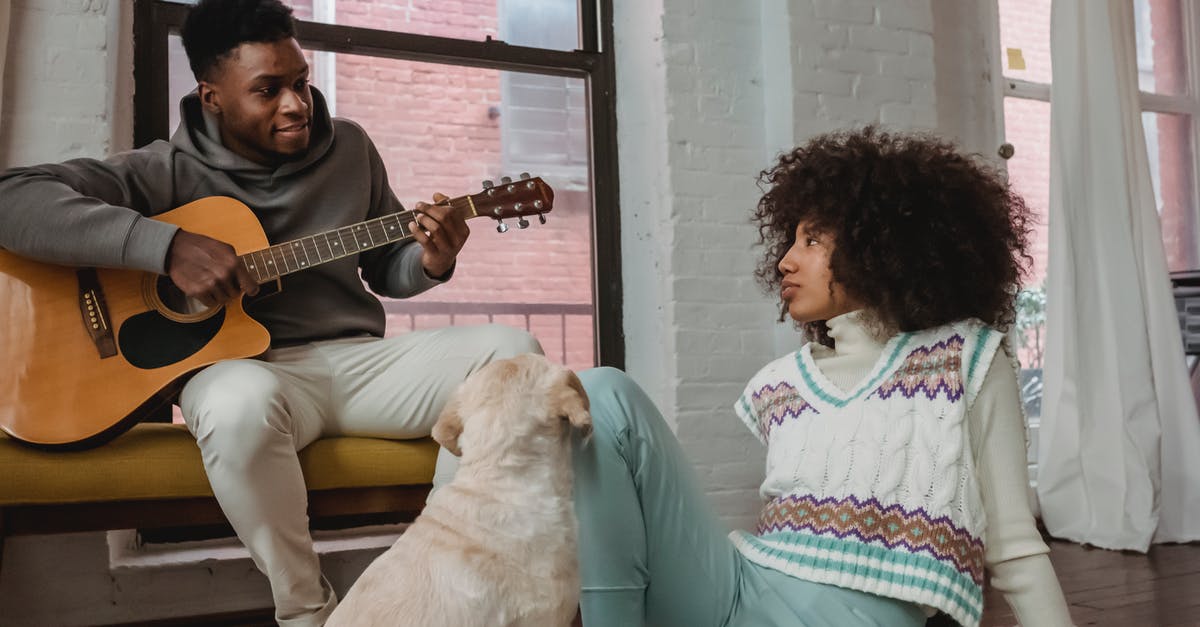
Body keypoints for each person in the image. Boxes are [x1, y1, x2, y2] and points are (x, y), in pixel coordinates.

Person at [0, 1, 540, 625]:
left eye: (300, 82)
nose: (295, 104)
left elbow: (388, 265)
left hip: (357, 364)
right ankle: (305, 611)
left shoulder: (352, 149)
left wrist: (432, 260)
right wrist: (165, 246)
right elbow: (13, 199)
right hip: (249, 370)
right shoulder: (165, 171)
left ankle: (435, 582)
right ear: (212, 97)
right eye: (267, 90)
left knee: (513, 355)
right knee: (237, 405)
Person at [571, 126, 1073, 626]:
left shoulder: (964, 357)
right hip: (739, 588)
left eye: (811, 240)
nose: (786, 261)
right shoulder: (780, 384)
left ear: (881, 246)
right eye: (790, 241)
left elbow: (1014, 546)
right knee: (603, 393)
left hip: (854, 617)